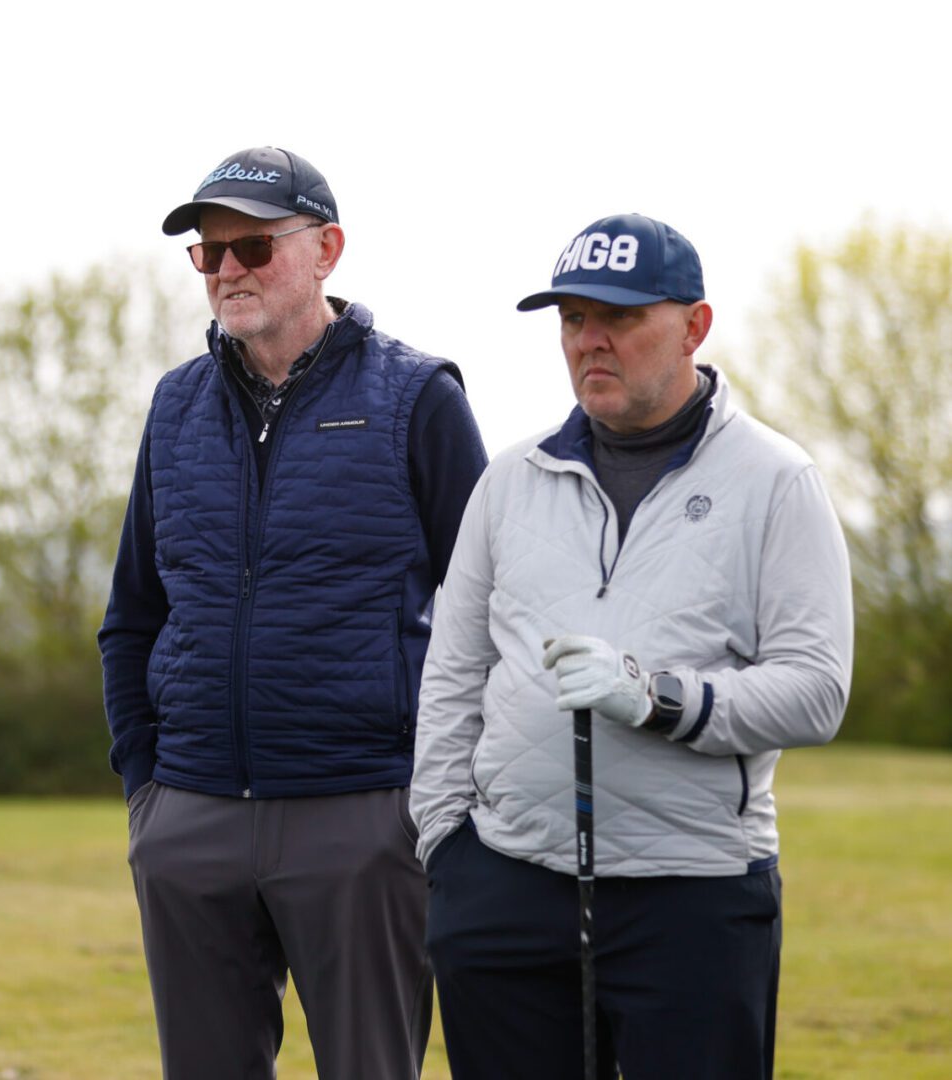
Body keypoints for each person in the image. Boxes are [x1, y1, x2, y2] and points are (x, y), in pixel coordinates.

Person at [410, 213, 853, 1079]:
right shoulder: (510, 479)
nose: (590, 341)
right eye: (573, 319)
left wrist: (657, 697)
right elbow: (453, 671)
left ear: (693, 325)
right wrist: (444, 847)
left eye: (619, 317)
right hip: (504, 886)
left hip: (692, 896)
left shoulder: (775, 480)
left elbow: (815, 690)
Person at [99, 146, 489, 1079]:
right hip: (188, 816)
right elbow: (131, 616)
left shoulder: (417, 397)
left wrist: (432, 802)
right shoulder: (175, 404)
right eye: (208, 252)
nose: (227, 269)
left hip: (359, 811)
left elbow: (490, 620)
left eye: (253, 247)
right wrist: (147, 791)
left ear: (326, 250)